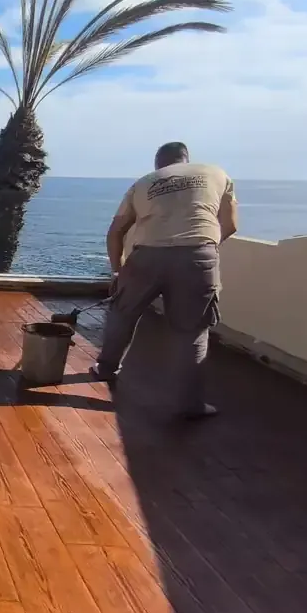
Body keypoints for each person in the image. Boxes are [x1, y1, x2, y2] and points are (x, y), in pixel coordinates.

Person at [89, 142, 239, 419]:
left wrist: (117, 271)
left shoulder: (144, 182)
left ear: (159, 163)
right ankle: (188, 404)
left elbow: (116, 231)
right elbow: (230, 225)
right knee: (190, 331)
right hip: (197, 256)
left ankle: (106, 368)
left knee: (123, 313)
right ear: (185, 158)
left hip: (146, 257)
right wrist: (200, 248)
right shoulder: (217, 174)